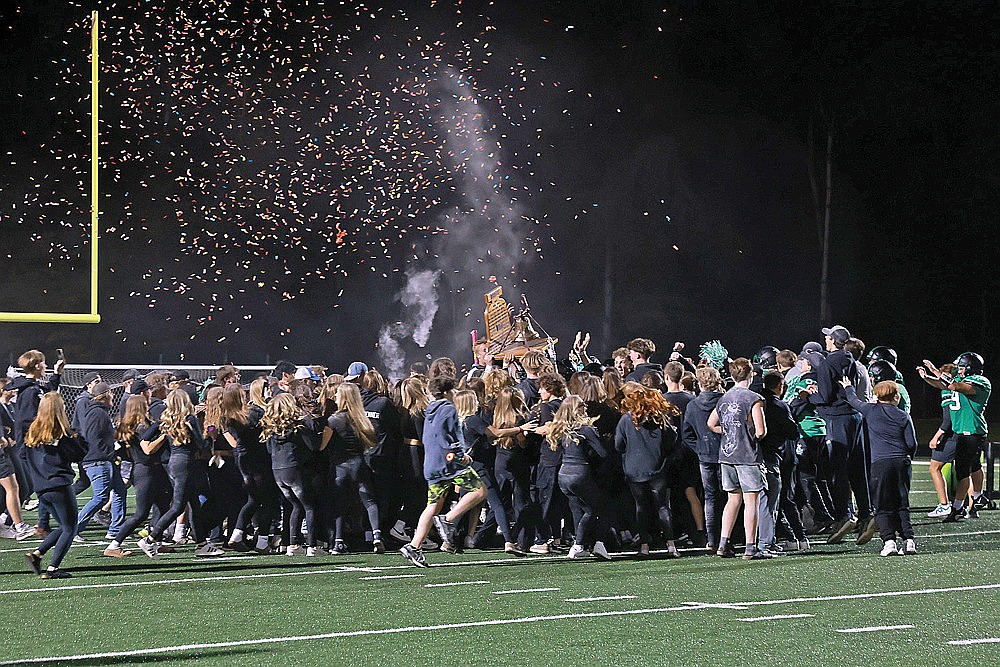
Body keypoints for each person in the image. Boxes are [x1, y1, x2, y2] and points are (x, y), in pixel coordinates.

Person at [400, 375, 488, 567]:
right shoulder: (448, 408)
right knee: (479, 490)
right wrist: (459, 454)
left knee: (433, 504)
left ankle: (414, 546)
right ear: (448, 391)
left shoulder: (429, 409)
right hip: (449, 464)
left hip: (432, 464)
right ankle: (447, 520)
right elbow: (447, 435)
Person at [137, 390, 223, 558]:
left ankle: (202, 544)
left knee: (194, 506)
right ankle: (150, 539)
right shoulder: (189, 419)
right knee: (177, 506)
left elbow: (144, 440)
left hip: (174, 462)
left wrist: (163, 437)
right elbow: (201, 444)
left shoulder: (165, 419)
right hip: (186, 464)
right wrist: (211, 432)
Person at [841, 377, 917, 556]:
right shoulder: (903, 415)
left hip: (880, 462)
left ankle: (889, 541)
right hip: (901, 462)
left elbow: (853, 401)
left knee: (882, 504)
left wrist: (848, 387)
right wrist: (906, 459)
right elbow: (911, 443)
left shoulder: (871, 410)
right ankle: (909, 540)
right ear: (895, 396)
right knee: (902, 502)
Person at [809, 325, 869, 543]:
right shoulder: (850, 359)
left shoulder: (828, 363)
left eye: (828, 338)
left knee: (838, 470)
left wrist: (808, 397)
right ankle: (866, 513)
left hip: (836, 418)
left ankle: (844, 515)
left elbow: (824, 396)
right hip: (854, 416)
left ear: (833, 341)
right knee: (857, 468)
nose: (825, 340)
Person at [918, 353, 991, 522]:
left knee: (963, 471)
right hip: (962, 431)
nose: (959, 370)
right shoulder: (959, 379)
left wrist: (935, 370)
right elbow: (943, 385)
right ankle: (971, 501)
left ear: (971, 367)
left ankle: (963, 505)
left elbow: (956, 386)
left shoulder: (981, 381)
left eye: (962, 367)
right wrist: (927, 377)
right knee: (972, 466)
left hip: (972, 431)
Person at [708, 358, 768, 560]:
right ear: (750, 374)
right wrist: (746, 433)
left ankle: (723, 544)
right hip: (748, 456)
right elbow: (760, 431)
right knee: (752, 501)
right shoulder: (754, 398)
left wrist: (727, 432)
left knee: (732, 500)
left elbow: (711, 423)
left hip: (726, 455)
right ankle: (751, 547)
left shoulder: (724, 397)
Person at [615, 383, 683, 558]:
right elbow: (672, 441)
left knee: (641, 507)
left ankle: (644, 545)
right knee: (662, 506)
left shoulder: (626, 419)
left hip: (634, 469)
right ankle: (671, 545)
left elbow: (618, 445)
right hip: (657, 467)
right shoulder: (660, 418)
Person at [23, 393, 87, 579]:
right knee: (70, 528)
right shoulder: (61, 432)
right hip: (58, 484)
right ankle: (52, 569)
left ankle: (37, 554)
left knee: (64, 526)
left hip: (41, 488)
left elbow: (22, 455)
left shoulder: (33, 431)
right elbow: (79, 454)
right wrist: (76, 437)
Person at [105, 394, 171, 557]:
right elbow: (147, 450)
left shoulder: (137, 425)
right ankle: (114, 545)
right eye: (145, 404)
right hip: (145, 471)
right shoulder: (140, 427)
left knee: (163, 507)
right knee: (141, 513)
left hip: (153, 470)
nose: (149, 405)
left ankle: (156, 541)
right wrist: (164, 436)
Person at [321, 382, 384, 554]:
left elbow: (321, 446)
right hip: (359, 464)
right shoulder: (362, 419)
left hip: (339, 467)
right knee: (369, 502)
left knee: (339, 505)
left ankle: (338, 542)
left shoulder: (333, 420)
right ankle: (377, 536)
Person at [548, 395, 611, 559]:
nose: (586, 408)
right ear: (577, 409)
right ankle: (596, 544)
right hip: (580, 473)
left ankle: (580, 544)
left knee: (578, 511)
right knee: (599, 508)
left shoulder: (563, 430)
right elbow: (603, 453)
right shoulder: (586, 429)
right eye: (583, 405)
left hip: (563, 475)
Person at [258, 393, 321, 556]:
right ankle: (312, 546)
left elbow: (269, 449)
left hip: (277, 470)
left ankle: (293, 544)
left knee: (295, 505)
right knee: (309, 506)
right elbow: (313, 446)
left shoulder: (270, 426)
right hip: (293, 468)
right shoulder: (299, 424)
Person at [75, 382, 127, 541]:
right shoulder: (97, 413)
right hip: (98, 461)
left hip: (106, 459)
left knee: (120, 491)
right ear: (105, 395)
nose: (113, 396)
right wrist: (106, 453)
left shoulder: (100, 412)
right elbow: (92, 438)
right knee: (101, 497)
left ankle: (115, 529)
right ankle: (74, 528)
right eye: (111, 393)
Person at [682, 366, 725, 551]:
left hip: (705, 456)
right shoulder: (724, 402)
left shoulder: (692, 405)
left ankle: (712, 539)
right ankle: (727, 536)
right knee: (729, 497)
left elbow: (686, 434)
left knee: (710, 498)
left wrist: (699, 448)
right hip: (726, 454)